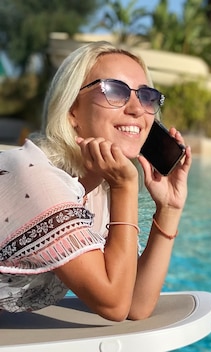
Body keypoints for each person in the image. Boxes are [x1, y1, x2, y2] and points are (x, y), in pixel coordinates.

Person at [0, 41, 192, 321]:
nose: (137, 109)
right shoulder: (34, 175)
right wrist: (124, 187)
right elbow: (113, 305)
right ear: (71, 110)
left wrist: (169, 208)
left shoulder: (96, 192)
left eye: (147, 96)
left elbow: (134, 304)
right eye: (115, 91)